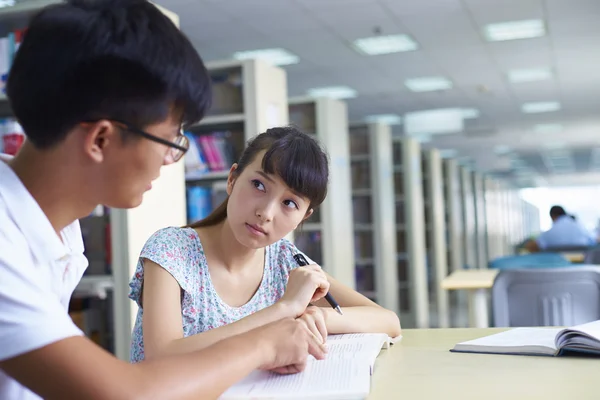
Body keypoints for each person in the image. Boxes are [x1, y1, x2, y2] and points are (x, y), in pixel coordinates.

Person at [0, 1, 326, 399]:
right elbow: (130, 394)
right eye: (169, 139)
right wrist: (265, 342)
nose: (172, 158)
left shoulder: (59, 227)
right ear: (100, 139)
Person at [128, 126, 402, 363]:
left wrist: (314, 318)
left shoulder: (285, 261)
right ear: (233, 178)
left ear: (303, 217)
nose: (267, 213)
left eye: (289, 203)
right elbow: (162, 357)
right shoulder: (171, 250)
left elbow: (388, 321)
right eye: (259, 185)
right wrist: (283, 311)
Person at [524, 205, 595, 252]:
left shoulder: (550, 233)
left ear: (553, 216)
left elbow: (532, 246)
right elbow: (593, 241)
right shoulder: (580, 226)